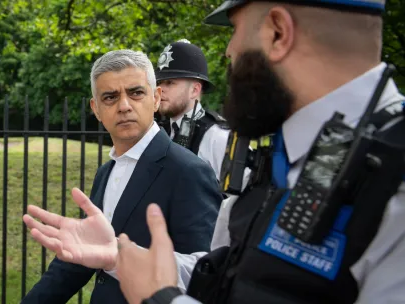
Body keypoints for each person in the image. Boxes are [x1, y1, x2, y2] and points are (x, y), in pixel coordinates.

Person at [111, 1, 405, 304]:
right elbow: (229, 276)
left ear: (278, 32)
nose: (229, 50)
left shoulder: (395, 180)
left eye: (236, 29)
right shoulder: (283, 153)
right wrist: (117, 255)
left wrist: (161, 300)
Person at [21, 50, 222, 304]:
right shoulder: (106, 172)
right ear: (96, 108)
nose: (124, 105)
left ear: (156, 98)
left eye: (136, 92)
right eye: (110, 97)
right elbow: (80, 260)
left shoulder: (189, 172)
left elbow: (205, 275)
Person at [155, 39, 230, 182]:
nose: (160, 89)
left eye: (170, 82)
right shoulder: (159, 132)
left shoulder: (218, 138)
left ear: (194, 90)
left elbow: (241, 196)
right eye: (159, 82)